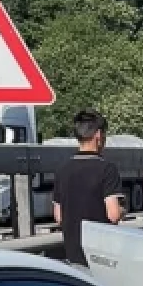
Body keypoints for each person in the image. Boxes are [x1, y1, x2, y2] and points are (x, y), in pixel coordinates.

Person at [52, 110, 124, 268]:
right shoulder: (107, 169)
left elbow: (58, 216)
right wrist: (122, 210)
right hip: (101, 257)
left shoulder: (63, 169)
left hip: (73, 254)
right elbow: (113, 215)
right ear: (98, 135)